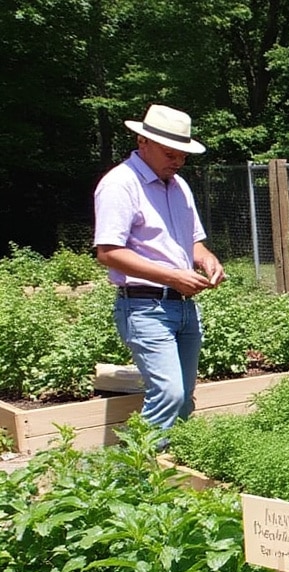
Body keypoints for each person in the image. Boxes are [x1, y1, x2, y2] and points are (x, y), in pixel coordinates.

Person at [94, 104, 226, 430]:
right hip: (144, 306)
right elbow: (108, 252)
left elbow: (191, 241)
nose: (178, 162)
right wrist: (171, 275)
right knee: (167, 394)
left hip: (183, 307)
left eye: (182, 155)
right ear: (143, 142)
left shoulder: (179, 186)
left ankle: (170, 472)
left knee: (183, 397)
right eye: (170, 154)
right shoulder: (120, 184)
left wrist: (206, 258)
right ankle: (133, 474)